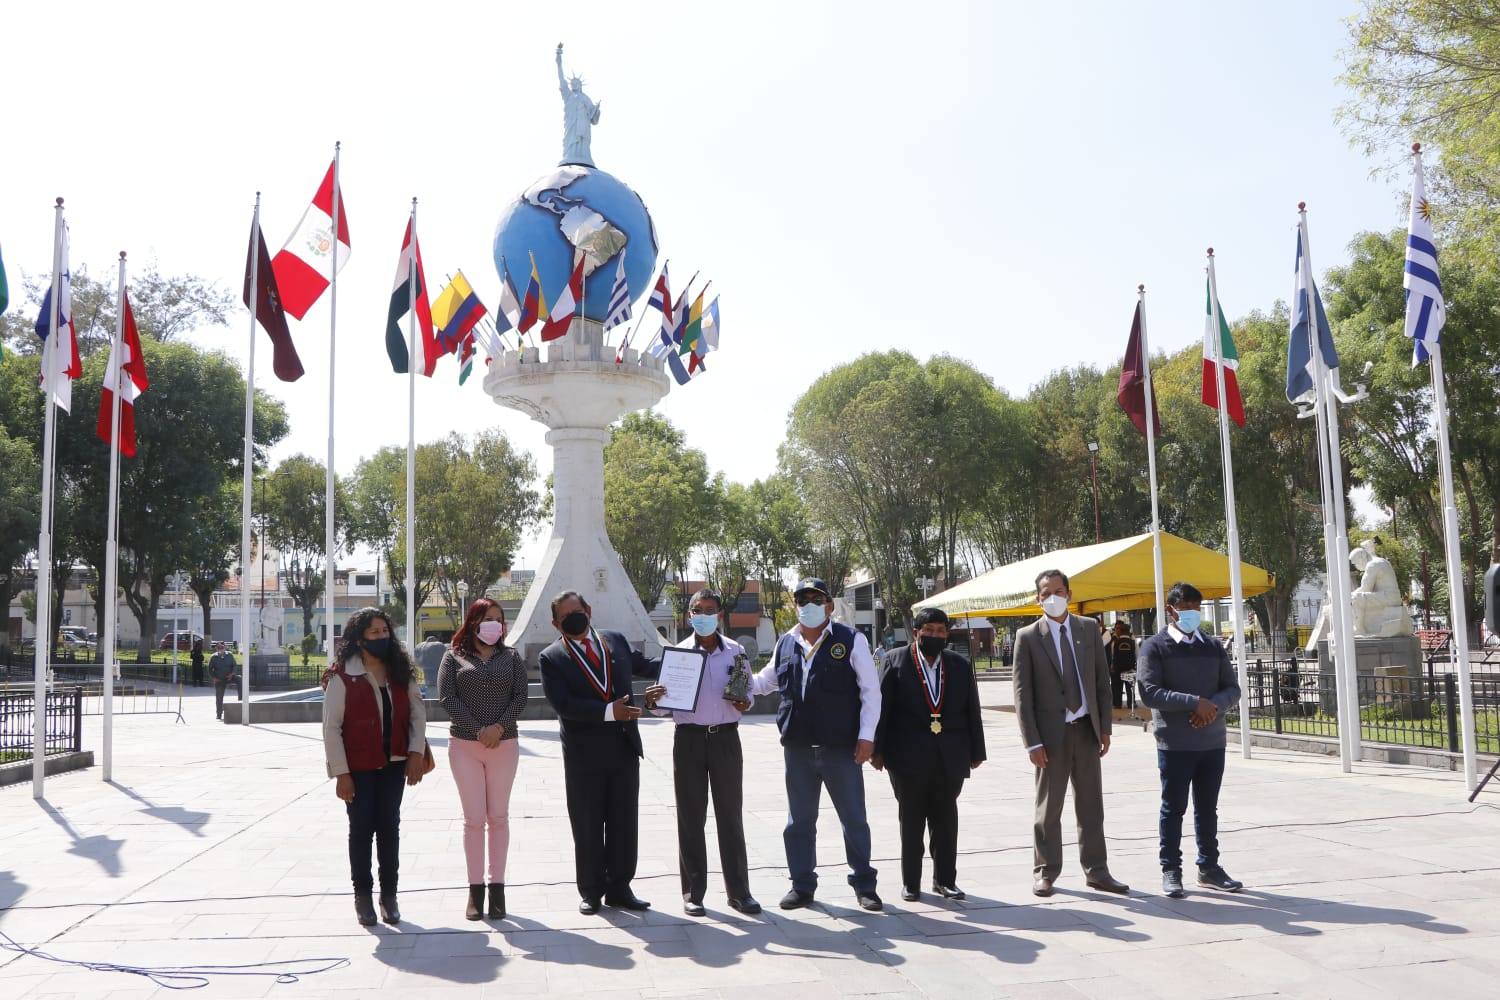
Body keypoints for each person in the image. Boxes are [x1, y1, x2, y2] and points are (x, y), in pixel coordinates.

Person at [749, 577, 883, 912]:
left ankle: (864, 883)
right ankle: (802, 884)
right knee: (799, 822)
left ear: (829, 605)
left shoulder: (850, 639)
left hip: (841, 748)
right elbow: (764, 682)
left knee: (853, 818)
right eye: (802, 599)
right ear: (794, 606)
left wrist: (867, 736)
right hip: (798, 748)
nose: (808, 605)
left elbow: (870, 691)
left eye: (815, 599)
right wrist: (730, 676)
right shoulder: (786, 642)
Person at [538, 590, 662, 915]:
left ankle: (620, 887)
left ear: (589, 610)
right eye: (565, 617)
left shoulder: (615, 640)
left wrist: (689, 660)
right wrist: (610, 712)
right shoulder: (552, 657)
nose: (573, 618)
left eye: (577, 611)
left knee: (624, 821)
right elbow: (564, 705)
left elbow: (648, 666)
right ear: (556, 623)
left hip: (623, 747)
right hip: (583, 755)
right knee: (588, 823)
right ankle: (591, 890)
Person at [1013, 569, 1128, 897]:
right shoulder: (1028, 637)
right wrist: (1031, 741)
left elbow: (1101, 683)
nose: (1053, 597)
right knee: (1049, 808)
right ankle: (1046, 870)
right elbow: (1023, 696)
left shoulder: (1089, 629)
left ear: (1069, 594)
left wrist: (1104, 727)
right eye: (1046, 593)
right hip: (1050, 736)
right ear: (1038, 598)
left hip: (1086, 731)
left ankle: (1097, 870)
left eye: (1058, 591)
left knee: (1091, 805)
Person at [650, 588, 761, 916]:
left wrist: (745, 702)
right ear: (689, 616)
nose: (704, 616)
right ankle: (693, 892)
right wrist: (655, 701)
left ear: (720, 615)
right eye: (698, 611)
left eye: (710, 610)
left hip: (726, 739)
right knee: (690, 817)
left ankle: (739, 892)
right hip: (689, 741)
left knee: (730, 815)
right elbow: (663, 709)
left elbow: (749, 694)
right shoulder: (678, 655)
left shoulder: (736, 652)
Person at [1135, 581, 1244, 898]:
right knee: (1173, 808)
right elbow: (1149, 692)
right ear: (1170, 610)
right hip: (1176, 744)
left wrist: (1213, 707)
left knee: (1207, 808)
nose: (1192, 614)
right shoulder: (1154, 647)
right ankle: (1171, 869)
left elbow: (1232, 688)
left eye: (1197, 608)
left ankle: (1209, 867)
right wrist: (1194, 702)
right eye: (1185, 609)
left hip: (1212, 742)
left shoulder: (1212, 646)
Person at [872, 607, 986, 902]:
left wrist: (977, 749)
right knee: (911, 820)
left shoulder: (959, 665)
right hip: (906, 756)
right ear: (916, 633)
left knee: (946, 820)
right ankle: (911, 882)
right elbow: (881, 709)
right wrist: (877, 749)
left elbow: (972, 708)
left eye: (940, 631)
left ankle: (945, 880)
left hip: (950, 754)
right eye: (929, 630)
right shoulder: (895, 660)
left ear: (947, 634)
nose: (934, 636)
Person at [322, 607, 427, 926]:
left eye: (385, 631)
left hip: (394, 765)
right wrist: (341, 773)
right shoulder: (343, 675)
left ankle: (389, 895)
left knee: (389, 829)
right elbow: (331, 727)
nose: (382, 637)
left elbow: (417, 713)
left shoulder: (399, 669)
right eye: (374, 632)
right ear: (359, 638)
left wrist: (415, 753)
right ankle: (363, 897)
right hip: (358, 769)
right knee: (361, 830)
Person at [438, 598, 528, 922]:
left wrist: (499, 727)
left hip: (504, 745)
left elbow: (522, 695)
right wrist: (478, 730)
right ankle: (475, 891)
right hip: (465, 745)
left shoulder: (511, 656)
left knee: (498, 817)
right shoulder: (454, 657)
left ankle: (498, 890)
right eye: (488, 618)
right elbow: (447, 697)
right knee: (474, 819)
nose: (495, 625)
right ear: (474, 621)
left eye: (499, 620)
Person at [1107, 621, 1137, 710]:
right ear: (1128, 631)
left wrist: (1112, 665)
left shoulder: (1115, 642)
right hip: (1130, 667)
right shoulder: (1132, 642)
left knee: (1117, 687)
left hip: (1117, 668)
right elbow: (1137, 654)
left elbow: (1111, 655)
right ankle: (1131, 703)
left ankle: (1117, 704)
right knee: (1130, 686)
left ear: (1120, 631)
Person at [209, 644, 237, 720]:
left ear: (224, 648)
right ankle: (219, 714)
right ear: (216, 649)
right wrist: (214, 678)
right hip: (219, 679)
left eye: (222, 648)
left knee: (240, 680)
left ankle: (241, 700)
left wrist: (232, 674)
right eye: (219, 648)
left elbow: (234, 665)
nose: (221, 649)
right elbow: (210, 669)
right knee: (219, 697)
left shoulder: (230, 655)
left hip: (229, 677)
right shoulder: (213, 657)